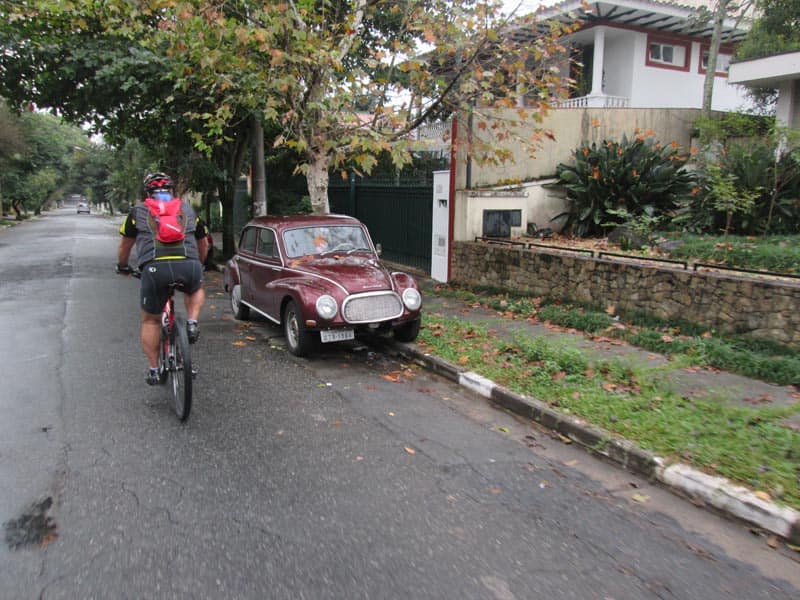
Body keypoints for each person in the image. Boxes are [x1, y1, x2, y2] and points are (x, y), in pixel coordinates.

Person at [116, 172, 209, 386]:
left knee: (151, 320)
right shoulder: (187, 209)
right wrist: (200, 264)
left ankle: (154, 370)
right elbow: (203, 242)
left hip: (154, 269)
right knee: (196, 288)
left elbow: (125, 246)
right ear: (171, 191)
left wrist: (122, 266)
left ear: (147, 192)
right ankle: (192, 322)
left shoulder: (137, 211)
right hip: (189, 264)